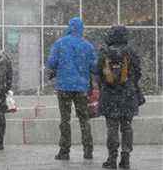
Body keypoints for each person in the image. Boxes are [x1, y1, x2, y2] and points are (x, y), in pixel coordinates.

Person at [46, 17, 97, 160]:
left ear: (69, 27)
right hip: (81, 88)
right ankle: (88, 150)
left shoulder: (60, 43)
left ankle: (64, 151)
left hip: (64, 87)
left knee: (65, 119)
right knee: (84, 119)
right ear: (82, 28)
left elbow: (51, 62)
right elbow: (94, 67)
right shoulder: (87, 45)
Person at [97, 26, 142, 169]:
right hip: (127, 95)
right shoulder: (131, 52)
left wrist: (106, 84)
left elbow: (98, 74)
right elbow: (138, 73)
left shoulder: (104, 52)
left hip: (109, 96)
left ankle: (112, 158)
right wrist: (129, 84)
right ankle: (125, 157)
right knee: (127, 127)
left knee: (112, 127)